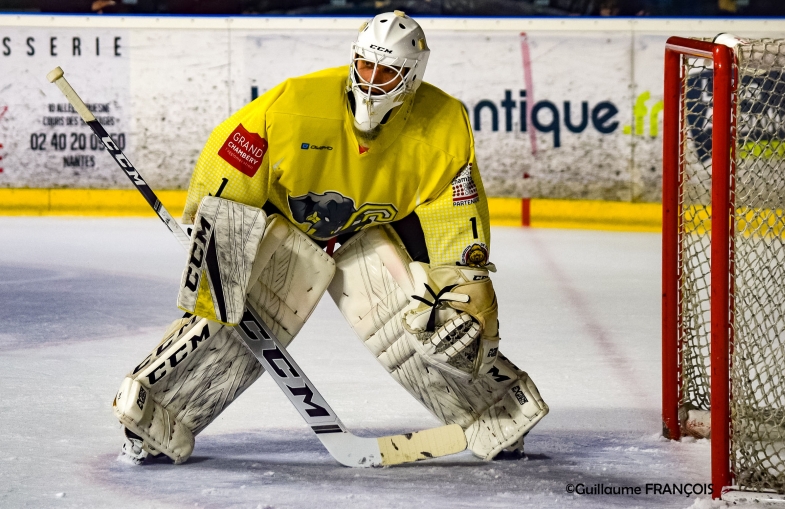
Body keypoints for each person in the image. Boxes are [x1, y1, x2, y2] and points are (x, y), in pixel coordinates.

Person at [112, 10, 548, 465]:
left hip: (372, 231)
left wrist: (465, 277)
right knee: (229, 312)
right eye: (366, 66)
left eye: (387, 71)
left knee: (436, 317)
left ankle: (495, 412)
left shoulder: (444, 125)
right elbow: (232, 161)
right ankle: (154, 416)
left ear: (412, 75)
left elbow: (454, 211)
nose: (372, 81)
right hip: (285, 225)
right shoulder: (293, 106)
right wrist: (217, 237)